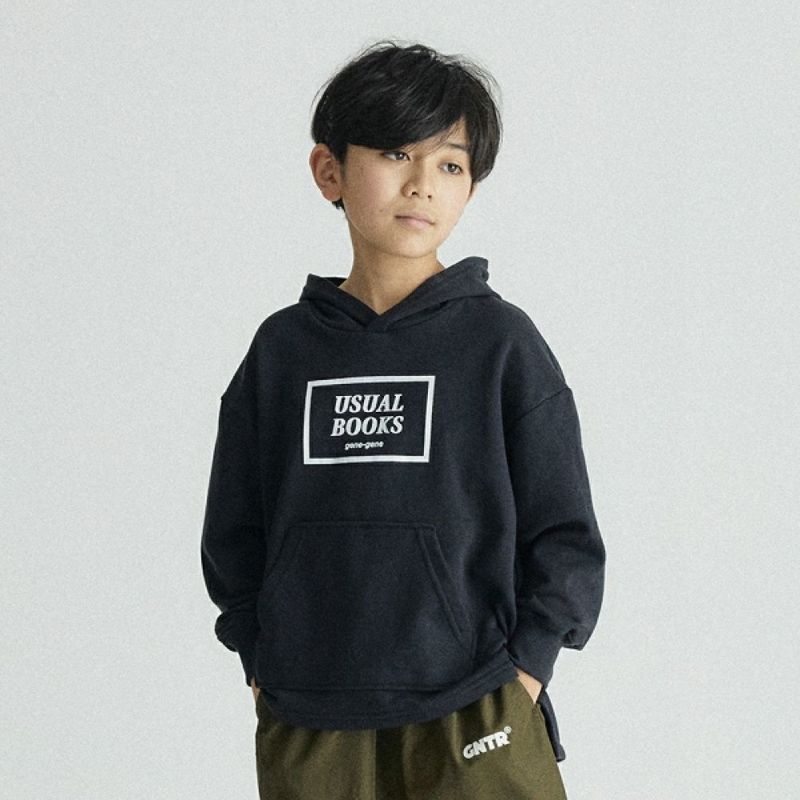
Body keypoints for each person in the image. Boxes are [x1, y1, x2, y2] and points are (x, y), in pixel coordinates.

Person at [201, 38, 606, 800]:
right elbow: (234, 532)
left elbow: (565, 533)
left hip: (475, 704)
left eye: (450, 165)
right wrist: (259, 657)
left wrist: (525, 670)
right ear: (330, 170)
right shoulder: (283, 351)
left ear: (470, 188)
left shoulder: (500, 343)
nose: (422, 184)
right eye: (396, 154)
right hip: (310, 715)